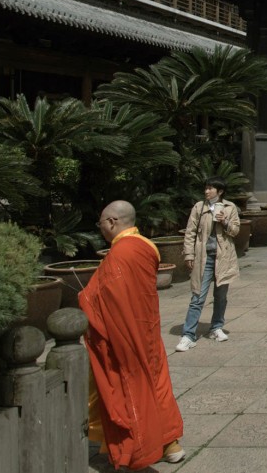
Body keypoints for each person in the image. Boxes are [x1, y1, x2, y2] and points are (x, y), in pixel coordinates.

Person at [80, 200, 185, 469]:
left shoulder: (119, 255)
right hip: (148, 329)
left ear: (112, 222)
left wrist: (85, 297)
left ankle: (138, 449)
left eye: (101, 223)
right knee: (158, 385)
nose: (100, 228)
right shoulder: (147, 246)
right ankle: (170, 444)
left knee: (130, 390)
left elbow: (100, 297)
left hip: (124, 336)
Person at [175, 177, 240, 352]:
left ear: (220, 192)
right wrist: (189, 253)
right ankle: (188, 335)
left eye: (211, 188)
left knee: (220, 296)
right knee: (197, 297)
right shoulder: (199, 207)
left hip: (223, 258)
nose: (207, 191)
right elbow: (190, 232)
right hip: (203, 258)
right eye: (206, 188)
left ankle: (216, 327)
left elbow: (235, 230)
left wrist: (224, 222)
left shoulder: (230, 207)